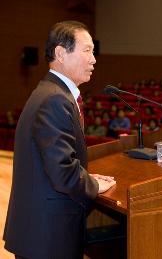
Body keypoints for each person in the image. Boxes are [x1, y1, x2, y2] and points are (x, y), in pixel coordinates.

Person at [3, 21, 116, 259]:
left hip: (42, 233)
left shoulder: (51, 92)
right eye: (87, 50)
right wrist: (94, 186)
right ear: (61, 53)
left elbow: (54, 163)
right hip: (47, 238)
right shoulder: (54, 99)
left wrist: (86, 176)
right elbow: (63, 170)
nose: (94, 59)